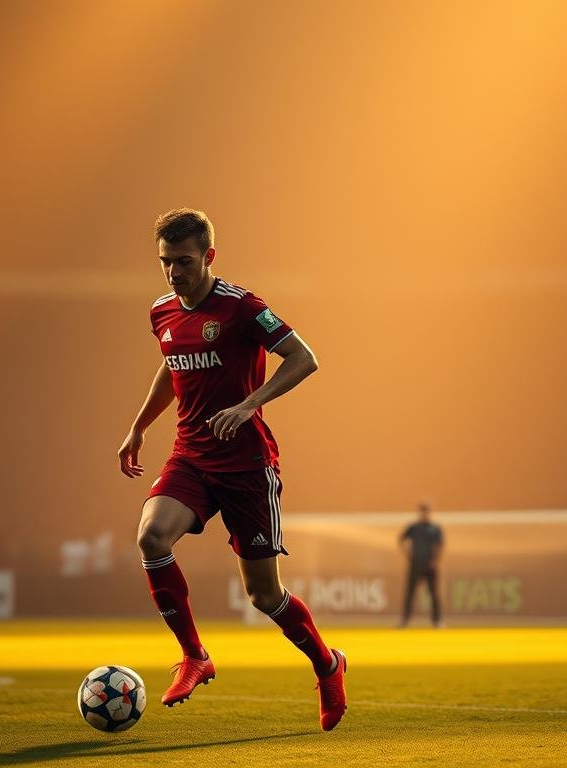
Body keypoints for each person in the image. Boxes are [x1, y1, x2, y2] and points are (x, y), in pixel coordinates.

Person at [117, 208, 346, 731]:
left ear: (209, 257)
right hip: (191, 456)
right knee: (152, 538)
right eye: (164, 263)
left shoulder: (243, 308)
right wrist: (138, 427)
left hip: (246, 467)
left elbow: (304, 358)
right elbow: (172, 365)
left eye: (183, 261)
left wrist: (248, 405)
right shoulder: (161, 312)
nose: (173, 273)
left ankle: (328, 664)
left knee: (264, 596)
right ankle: (194, 655)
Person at [399, 501, 444, 627]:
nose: (424, 513)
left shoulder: (434, 528)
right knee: (410, 593)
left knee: (433, 594)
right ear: (420, 513)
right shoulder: (413, 528)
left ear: (429, 513)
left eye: (426, 511)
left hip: (430, 566)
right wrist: (408, 554)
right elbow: (401, 540)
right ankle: (405, 620)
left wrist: (435, 561)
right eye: (422, 511)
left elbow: (440, 545)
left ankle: (437, 621)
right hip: (415, 565)